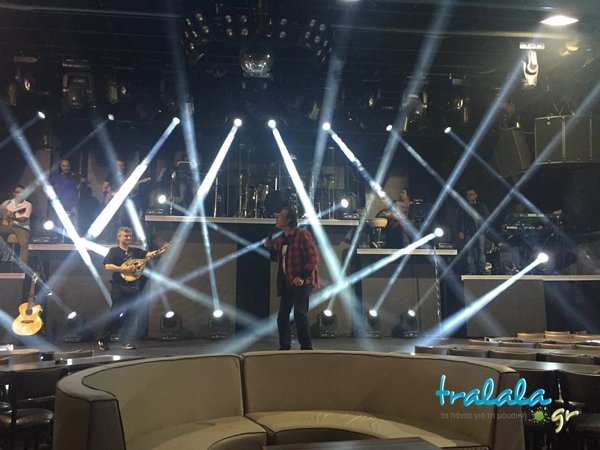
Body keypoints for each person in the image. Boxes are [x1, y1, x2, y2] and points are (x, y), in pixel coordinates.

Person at [264, 208, 319, 350]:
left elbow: (313, 258)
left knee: (300, 313)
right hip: (288, 281)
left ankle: (306, 348)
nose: (277, 217)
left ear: (288, 220)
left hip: (304, 280)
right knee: (282, 316)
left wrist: (302, 276)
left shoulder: (302, 235)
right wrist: (270, 248)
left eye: (280, 215)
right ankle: (284, 346)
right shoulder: (281, 238)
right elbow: (276, 258)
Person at [98, 226, 159, 350]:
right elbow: (108, 266)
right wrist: (123, 269)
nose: (128, 238)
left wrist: (160, 250)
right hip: (119, 286)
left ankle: (126, 341)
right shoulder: (114, 251)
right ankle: (104, 339)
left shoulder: (135, 251)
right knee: (115, 314)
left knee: (131, 315)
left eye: (130, 236)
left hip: (133, 287)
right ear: (119, 237)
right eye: (126, 236)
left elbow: (148, 255)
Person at [458, 189, 490, 275]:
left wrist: (479, 217)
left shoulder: (481, 206)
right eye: (468, 195)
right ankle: (471, 270)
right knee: (470, 252)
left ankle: (482, 270)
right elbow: (460, 220)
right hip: (469, 231)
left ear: (475, 195)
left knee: (481, 251)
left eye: (471, 194)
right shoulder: (464, 206)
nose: (469, 196)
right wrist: (460, 231)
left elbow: (487, 218)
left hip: (479, 231)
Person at [0, 185, 32, 270]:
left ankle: (23, 265)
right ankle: (4, 250)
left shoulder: (28, 204)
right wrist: (3, 216)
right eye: (18, 192)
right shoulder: (7, 203)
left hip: (22, 227)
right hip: (8, 226)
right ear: (14, 193)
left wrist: (13, 216)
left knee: (24, 242)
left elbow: (24, 218)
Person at [49, 159, 86, 231]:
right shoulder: (56, 177)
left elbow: (78, 189)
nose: (66, 168)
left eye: (67, 166)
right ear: (60, 167)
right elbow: (47, 185)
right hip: (60, 203)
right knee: (60, 222)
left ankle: (74, 237)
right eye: (64, 166)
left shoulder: (74, 177)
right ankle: (60, 236)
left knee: (74, 222)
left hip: (73, 202)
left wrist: (81, 183)